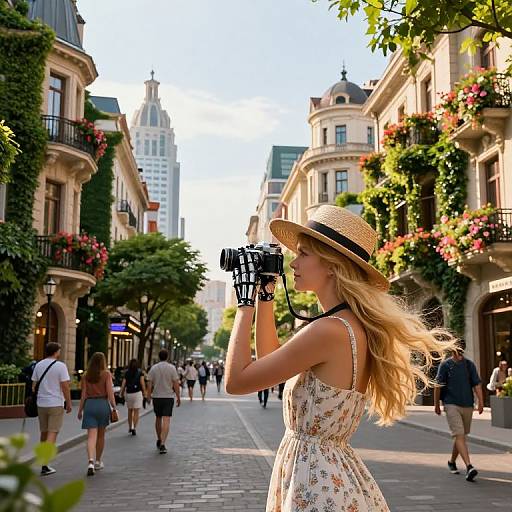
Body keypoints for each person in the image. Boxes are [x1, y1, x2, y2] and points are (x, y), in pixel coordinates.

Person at [224, 205, 455, 511]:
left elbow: (237, 381)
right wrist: (266, 295)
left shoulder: (328, 331)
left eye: (304, 254)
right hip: (329, 475)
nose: (293, 262)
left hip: (315, 483)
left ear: (332, 265)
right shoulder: (345, 326)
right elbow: (272, 363)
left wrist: (244, 302)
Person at [434, 341, 484, 482]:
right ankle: (469, 467)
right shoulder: (445, 365)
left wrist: (480, 402)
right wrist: (436, 404)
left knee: (460, 436)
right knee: (459, 434)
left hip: (467, 404)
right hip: (451, 404)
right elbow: (438, 385)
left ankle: (451, 462)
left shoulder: (469, 365)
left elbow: (477, 385)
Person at [31, 342, 72, 476]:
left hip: (41, 403)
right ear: (56, 352)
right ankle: (45, 463)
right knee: (53, 432)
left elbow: (33, 386)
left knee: (44, 432)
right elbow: (65, 386)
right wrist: (69, 403)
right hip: (55, 402)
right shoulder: (61, 366)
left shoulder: (38, 365)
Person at [78, 352, 117, 476]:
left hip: (89, 405)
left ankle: (90, 461)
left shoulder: (86, 376)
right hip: (102, 405)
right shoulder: (106, 374)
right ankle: (98, 461)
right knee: (101, 436)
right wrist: (114, 407)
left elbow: (83, 394)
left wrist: (80, 410)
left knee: (91, 436)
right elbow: (110, 393)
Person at [146, 349, 181, 454]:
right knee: (166, 420)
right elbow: (176, 383)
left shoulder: (153, 368)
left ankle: (159, 438)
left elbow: (149, 383)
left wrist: (148, 395)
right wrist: (178, 396)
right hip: (168, 397)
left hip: (156, 396)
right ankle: (163, 443)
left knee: (158, 418)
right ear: (167, 357)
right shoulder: (172, 368)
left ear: (159, 356)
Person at [120, 358, 146, 435]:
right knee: (136, 411)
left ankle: (130, 427)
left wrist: (121, 392)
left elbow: (123, 384)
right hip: (137, 393)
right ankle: (134, 427)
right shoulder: (140, 372)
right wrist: (144, 392)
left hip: (129, 393)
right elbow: (142, 383)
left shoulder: (127, 373)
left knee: (130, 411)